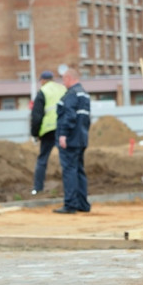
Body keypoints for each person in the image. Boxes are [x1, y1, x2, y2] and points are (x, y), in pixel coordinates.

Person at [53, 67, 91, 214]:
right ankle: (82, 203)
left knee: (69, 171)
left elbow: (69, 116)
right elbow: (85, 119)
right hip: (81, 138)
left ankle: (70, 204)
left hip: (70, 139)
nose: (63, 83)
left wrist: (63, 134)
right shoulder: (84, 95)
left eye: (64, 80)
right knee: (79, 170)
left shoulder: (71, 94)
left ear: (69, 78)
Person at [29, 70, 66, 196]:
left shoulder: (43, 92)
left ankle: (37, 188)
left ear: (43, 80)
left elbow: (36, 116)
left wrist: (35, 133)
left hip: (49, 130)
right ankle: (69, 187)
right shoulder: (63, 89)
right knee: (66, 159)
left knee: (42, 159)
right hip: (64, 129)